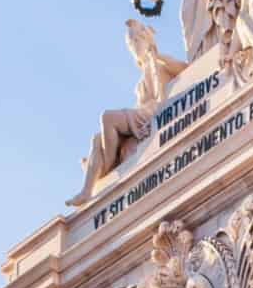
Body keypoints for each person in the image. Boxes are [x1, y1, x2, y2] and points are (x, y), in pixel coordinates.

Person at [66, 19, 185, 208]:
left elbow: (185, 69)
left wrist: (158, 55)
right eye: (131, 44)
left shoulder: (160, 65)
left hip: (152, 111)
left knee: (107, 117)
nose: (134, 47)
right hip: (140, 115)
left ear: (146, 40)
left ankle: (110, 166)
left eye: (136, 41)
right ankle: (87, 191)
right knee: (97, 140)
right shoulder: (139, 84)